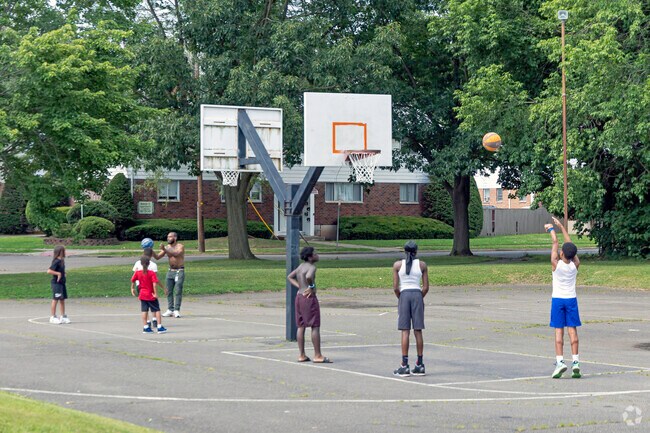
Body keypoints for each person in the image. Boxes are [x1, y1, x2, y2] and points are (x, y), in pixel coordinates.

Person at [545, 216, 582, 379]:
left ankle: (560, 362)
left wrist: (552, 230)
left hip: (558, 300)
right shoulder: (575, 265)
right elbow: (570, 246)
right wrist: (561, 227)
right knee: (572, 330)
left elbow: (555, 243)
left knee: (558, 332)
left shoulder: (556, 264)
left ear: (561, 254)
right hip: (571, 299)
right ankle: (576, 362)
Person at [287, 247, 331, 363]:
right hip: (308, 298)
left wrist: (300, 286)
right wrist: (311, 287)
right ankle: (318, 355)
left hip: (299, 297)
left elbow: (290, 277)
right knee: (314, 326)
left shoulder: (301, 266)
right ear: (310, 257)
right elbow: (309, 277)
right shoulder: (312, 267)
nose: (318, 255)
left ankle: (302, 355)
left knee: (301, 326)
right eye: (315, 254)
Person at [393, 241, 429, 377]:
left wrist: (401, 298)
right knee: (418, 330)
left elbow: (396, 287)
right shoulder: (422, 265)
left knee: (405, 331)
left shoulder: (397, 265)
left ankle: (404, 364)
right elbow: (425, 287)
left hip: (404, 294)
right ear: (416, 251)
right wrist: (419, 297)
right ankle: (420, 364)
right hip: (417, 294)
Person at [131, 256, 168, 334]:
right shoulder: (151, 273)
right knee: (156, 310)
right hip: (150, 294)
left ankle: (145, 327)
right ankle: (159, 326)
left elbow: (133, 280)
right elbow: (154, 284)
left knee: (144, 310)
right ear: (148, 264)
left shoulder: (138, 273)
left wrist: (132, 288)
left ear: (140, 263)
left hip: (142, 294)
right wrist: (155, 294)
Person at [154, 232, 185, 318]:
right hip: (170, 271)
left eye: (170, 237)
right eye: (167, 237)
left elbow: (176, 254)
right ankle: (170, 309)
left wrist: (164, 249)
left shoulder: (180, 246)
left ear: (175, 237)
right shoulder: (167, 248)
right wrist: (150, 250)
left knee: (178, 290)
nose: (168, 238)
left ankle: (176, 310)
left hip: (179, 271)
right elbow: (157, 257)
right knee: (168, 291)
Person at [133, 247, 158, 329]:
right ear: (151, 255)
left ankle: (147, 321)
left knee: (144, 307)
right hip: (150, 287)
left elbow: (134, 276)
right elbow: (155, 280)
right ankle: (154, 319)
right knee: (154, 306)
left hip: (140, 286)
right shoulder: (153, 265)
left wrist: (132, 287)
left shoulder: (137, 263)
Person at [47, 246, 70, 324]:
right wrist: (58, 273)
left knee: (62, 299)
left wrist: (64, 273)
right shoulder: (56, 261)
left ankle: (62, 316)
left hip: (62, 283)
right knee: (55, 299)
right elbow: (49, 271)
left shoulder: (62, 260)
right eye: (64, 251)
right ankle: (53, 317)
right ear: (60, 252)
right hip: (56, 283)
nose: (65, 252)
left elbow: (60, 270)